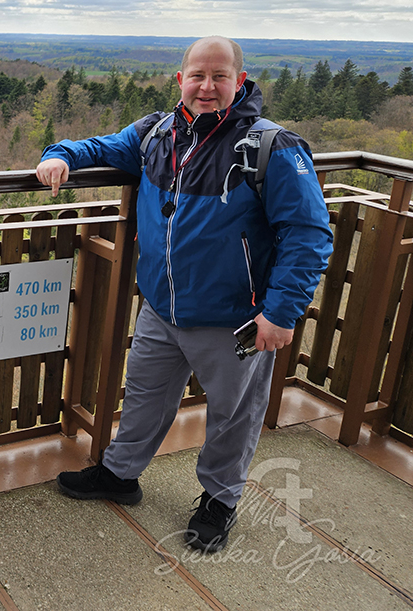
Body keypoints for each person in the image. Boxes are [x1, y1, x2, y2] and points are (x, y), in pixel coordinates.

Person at [37, 36, 332, 552]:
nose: (207, 86)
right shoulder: (157, 132)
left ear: (239, 81)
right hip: (162, 306)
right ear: (181, 79)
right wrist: (59, 154)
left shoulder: (273, 147)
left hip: (234, 318)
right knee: (145, 398)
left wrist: (281, 312)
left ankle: (220, 500)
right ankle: (120, 475)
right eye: (197, 75)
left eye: (219, 77)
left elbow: (309, 234)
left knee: (232, 414)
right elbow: (101, 147)